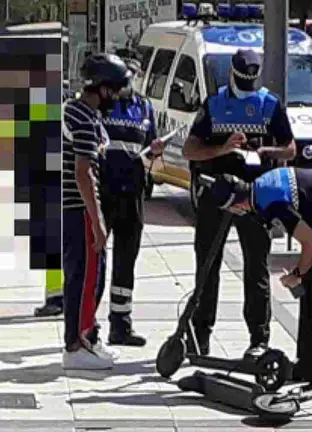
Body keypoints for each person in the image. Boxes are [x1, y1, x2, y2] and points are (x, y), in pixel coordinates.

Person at [207, 166, 312, 387]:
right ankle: (307, 365)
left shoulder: (273, 204)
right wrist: (303, 275)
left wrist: (296, 274)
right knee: (311, 286)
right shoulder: (261, 186)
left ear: (237, 206)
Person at [182, 49, 297, 360]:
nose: (245, 88)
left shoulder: (270, 104)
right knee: (207, 267)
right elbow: (190, 150)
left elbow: (290, 149)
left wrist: (266, 150)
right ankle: (199, 336)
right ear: (231, 73)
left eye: (250, 83)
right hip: (216, 195)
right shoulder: (215, 103)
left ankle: (258, 338)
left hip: (255, 196)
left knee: (256, 269)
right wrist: (222, 148)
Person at [62, 53, 131, 370]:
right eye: (115, 90)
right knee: (87, 277)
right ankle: (77, 345)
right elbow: (83, 172)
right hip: (80, 209)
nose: (117, 97)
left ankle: (86, 337)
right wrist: (99, 222)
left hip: (74, 208)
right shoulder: (86, 120)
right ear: (102, 88)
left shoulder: (76, 112)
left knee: (86, 276)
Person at [97, 53, 165, 346]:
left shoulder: (144, 107)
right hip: (103, 189)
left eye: (134, 75)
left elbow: (150, 153)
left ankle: (120, 325)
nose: (130, 81)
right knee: (96, 259)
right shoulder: (102, 104)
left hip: (133, 191)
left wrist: (156, 149)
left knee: (126, 260)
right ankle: (87, 326)